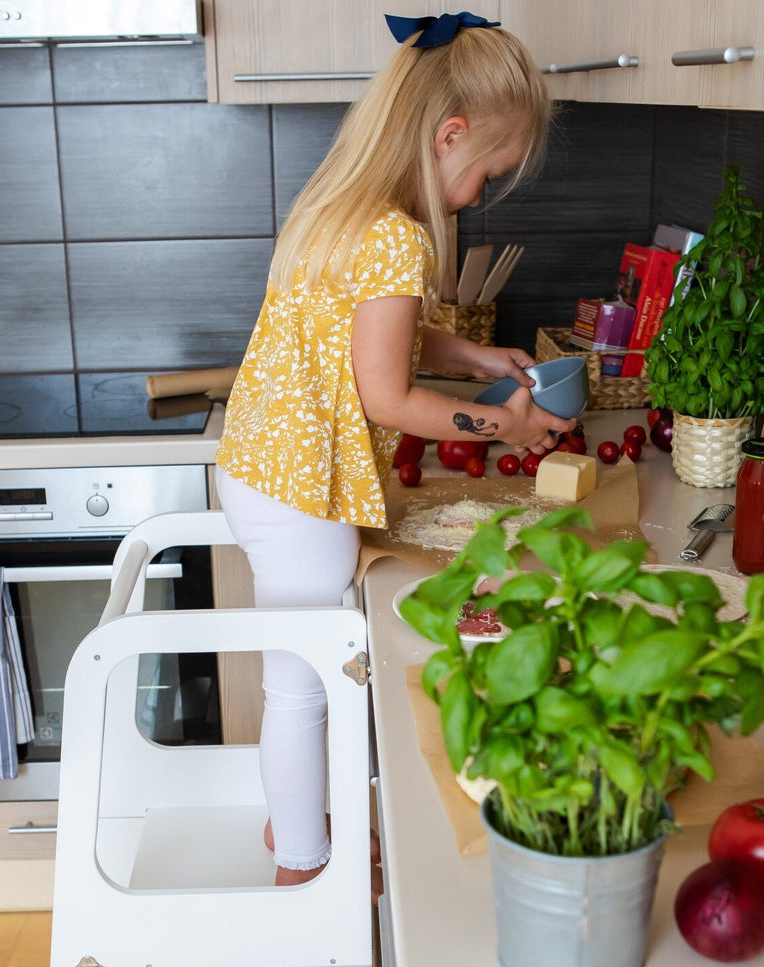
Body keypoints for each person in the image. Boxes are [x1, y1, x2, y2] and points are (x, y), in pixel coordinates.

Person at [214, 11, 575, 895]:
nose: (479, 196)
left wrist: (481, 358)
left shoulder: (338, 208)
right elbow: (388, 395)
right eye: (486, 173)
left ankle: (294, 822)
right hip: (303, 492)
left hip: (262, 473)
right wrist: (508, 426)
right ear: (449, 135)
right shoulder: (396, 236)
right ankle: (303, 868)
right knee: (302, 688)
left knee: (298, 678)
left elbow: (383, 338)